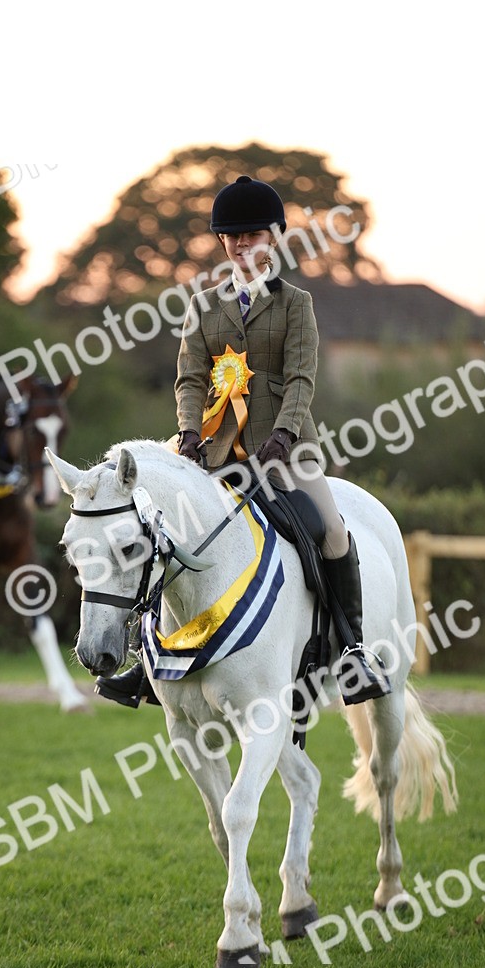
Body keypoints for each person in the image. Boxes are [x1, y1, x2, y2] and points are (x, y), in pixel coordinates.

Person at [97, 175, 390, 708]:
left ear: (275, 236)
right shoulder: (205, 305)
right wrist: (187, 429)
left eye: (252, 235)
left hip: (285, 450)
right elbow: (189, 376)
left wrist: (282, 433)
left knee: (331, 533)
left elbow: (301, 378)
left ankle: (352, 650)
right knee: (161, 530)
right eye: (231, 236)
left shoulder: (295, 303)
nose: (241, 245)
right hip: (208, 449)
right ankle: (145, 663)